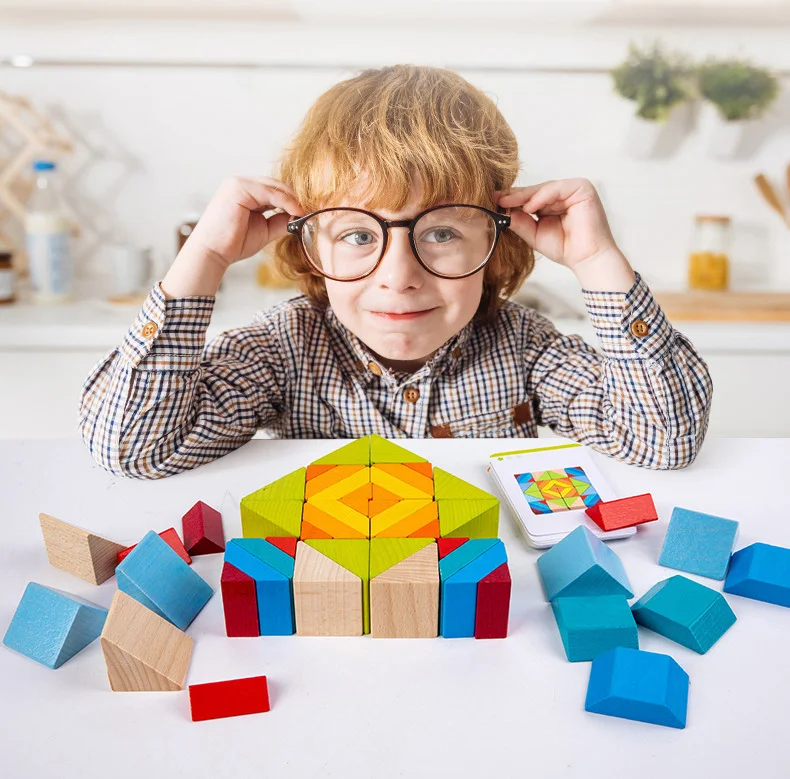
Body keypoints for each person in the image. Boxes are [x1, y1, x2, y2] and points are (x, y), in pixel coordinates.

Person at [79, 64, 712, 480]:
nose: (399, 276)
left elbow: (664, 440)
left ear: (499, 235)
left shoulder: (526, 348)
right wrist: (204, 260)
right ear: (310, 250)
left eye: (440, 231)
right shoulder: (285, 349)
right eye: (358, 234)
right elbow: (132, 450)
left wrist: (599, 263)